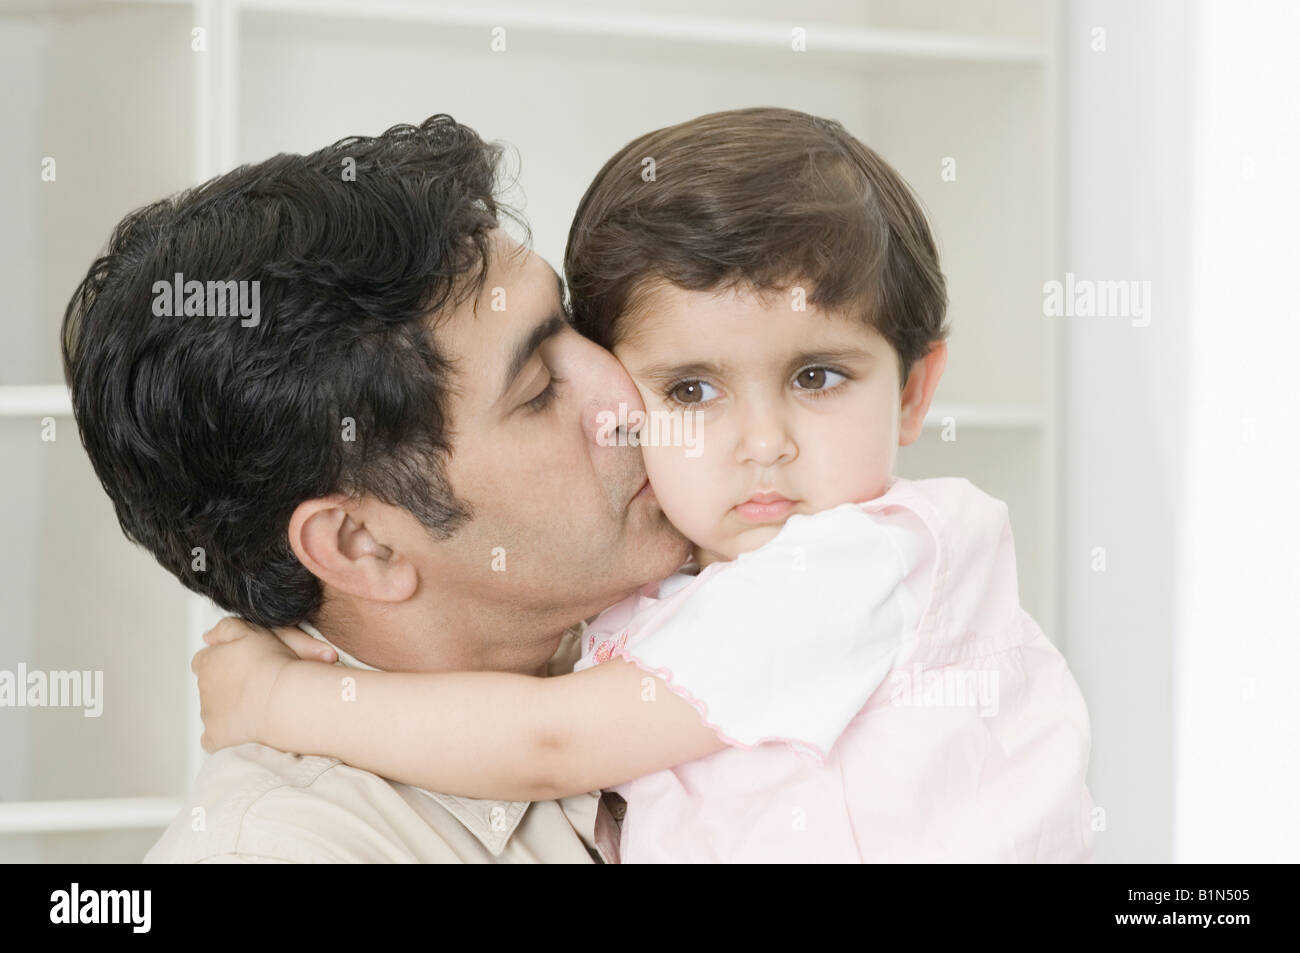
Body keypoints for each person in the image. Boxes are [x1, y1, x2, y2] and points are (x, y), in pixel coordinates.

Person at [194, 108, 1095, 863]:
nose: (762, 443)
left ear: (913, 390)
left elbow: (551, 740)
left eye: (817, 377)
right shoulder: (293, 841)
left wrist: (284, 700)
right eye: (689, 388)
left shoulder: (856, 564)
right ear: (362, 543)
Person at [62, 115, 689, 862]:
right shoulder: (285, 849)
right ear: (363, 545)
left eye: (569, 326)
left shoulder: (708, 582)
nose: (627, 400)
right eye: (538, 389)